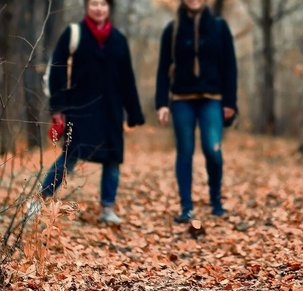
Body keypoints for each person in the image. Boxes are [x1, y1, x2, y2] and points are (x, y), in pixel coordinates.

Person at [35, 0, 144, 224]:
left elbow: (127, 79)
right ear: (87, 6)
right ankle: (40, 201)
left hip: (111, 111)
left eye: (103, 4)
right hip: (80, 109)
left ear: (109, 8)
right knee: (70, 156)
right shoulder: (74, 34)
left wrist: (134, 112)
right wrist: (57, 108)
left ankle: (107, 209)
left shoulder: (119, 40)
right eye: (94, 3)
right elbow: (57, 71)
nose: (98, 8)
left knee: (112, 159)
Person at [155, 0, 237, 223]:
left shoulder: (220, 27)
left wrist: (230, 102)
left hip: (213, 99)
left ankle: (216, 200)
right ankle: (186, 207)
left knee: (213, 151)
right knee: (185, 151)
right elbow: (163, 69)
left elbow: (230, 66)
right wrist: (162, 103)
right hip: (182, 100)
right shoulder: (172, 30)